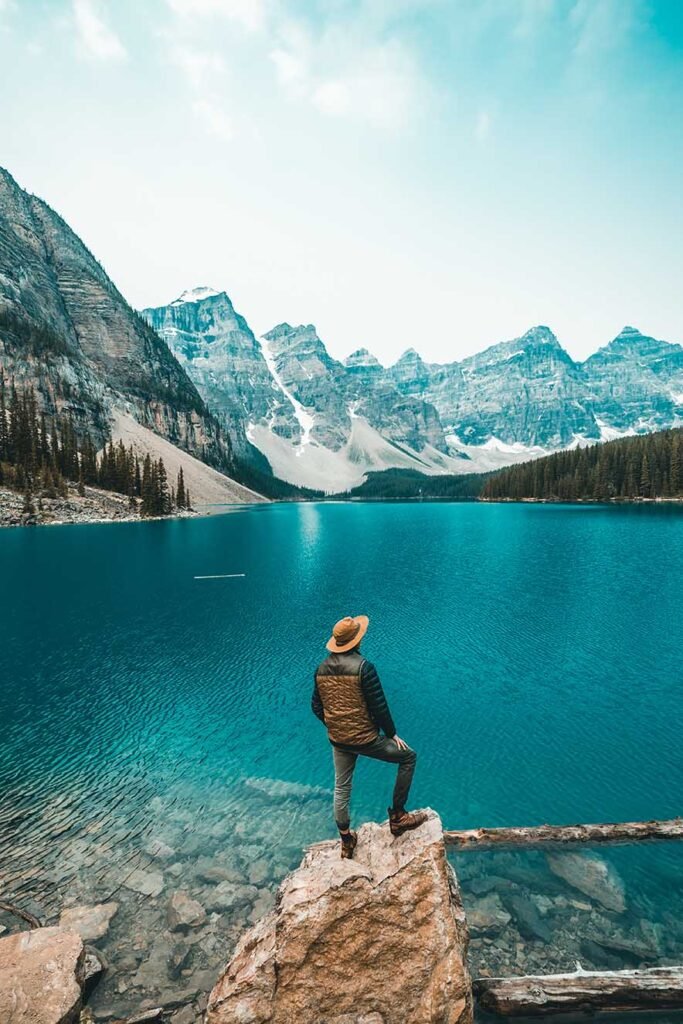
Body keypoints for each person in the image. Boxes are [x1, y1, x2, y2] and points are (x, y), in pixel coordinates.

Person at [312, 614, 427, 859]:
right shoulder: (364, 667)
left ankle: (346, 840)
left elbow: (316, 706)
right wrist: (392, 734)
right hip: (366, 739)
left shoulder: (321, 669)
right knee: (408, 757)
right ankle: (398, 816)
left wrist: (335, 725)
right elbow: (379, 706)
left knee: (341, 787)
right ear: (356, 641)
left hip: (339, 740)